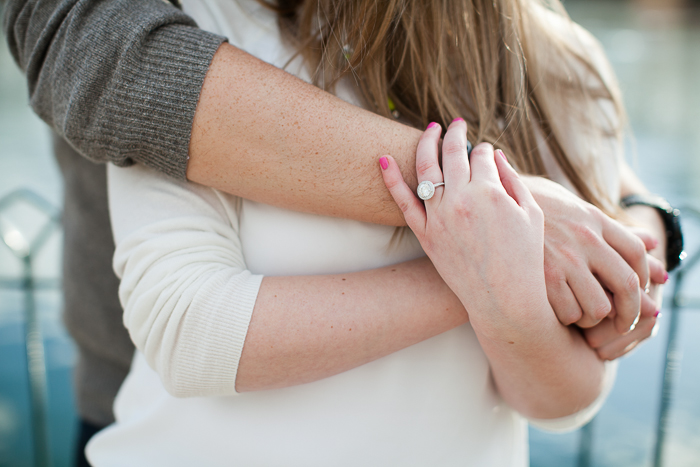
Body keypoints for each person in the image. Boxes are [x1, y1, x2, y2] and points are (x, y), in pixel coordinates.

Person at [3, 0, 676, 462]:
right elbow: (188, 329)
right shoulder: (198, 26)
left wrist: (503, 266)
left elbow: (569, 398)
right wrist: (487, 262)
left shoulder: (562, 68)